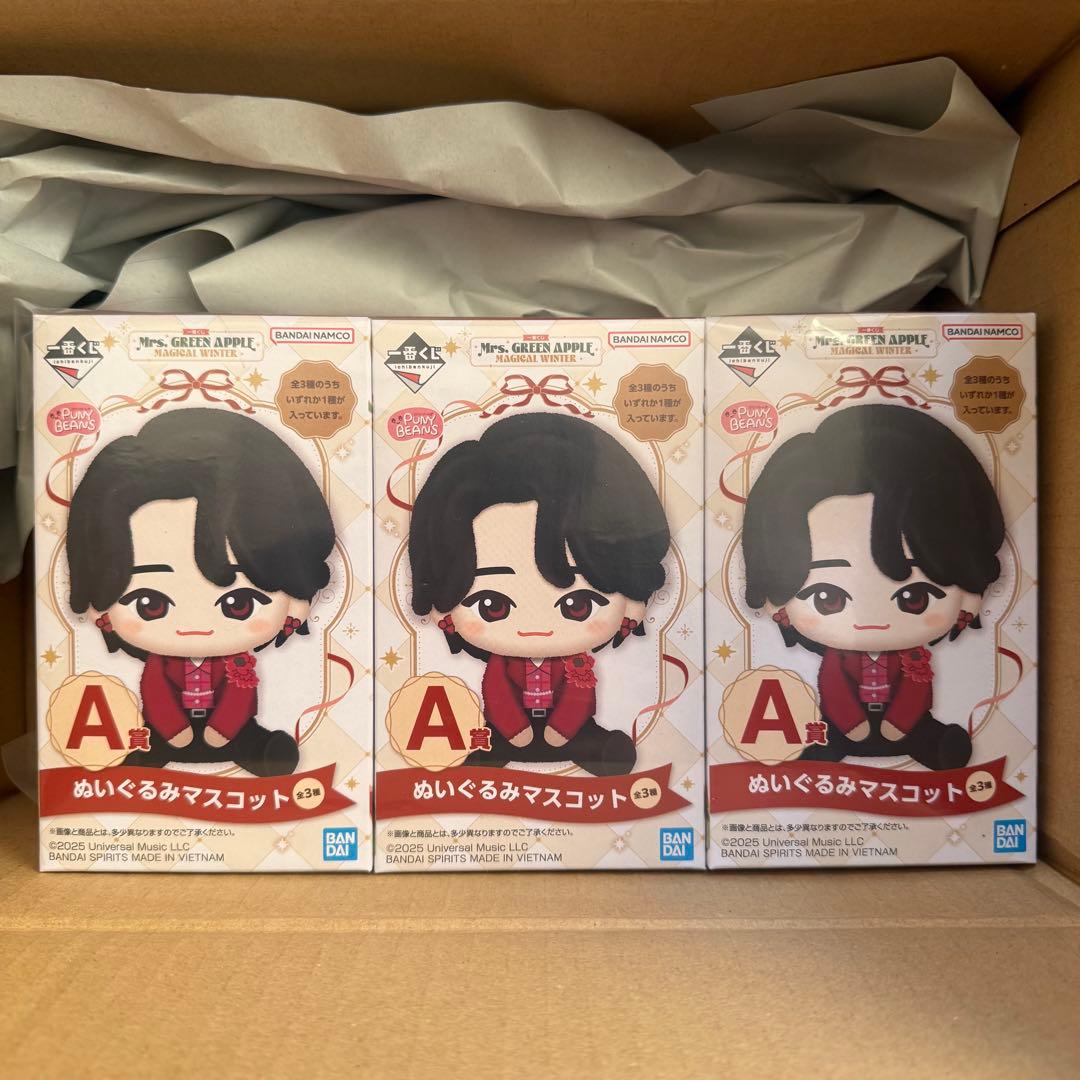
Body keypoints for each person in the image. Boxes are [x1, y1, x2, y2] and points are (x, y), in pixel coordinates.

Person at [66, 408, 336, 777]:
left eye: (238, 604)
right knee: (149, 742)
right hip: (168, 730)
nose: (194, 625)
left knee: (249, 740)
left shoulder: (238, 664)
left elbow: (240, 696)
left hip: (230, 731)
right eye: (150, 604)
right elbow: (155, 692)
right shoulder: (161, 664)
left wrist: (222, 730)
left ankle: (258, 751)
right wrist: (173, 729)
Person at [742, 404, 1005, 771]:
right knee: (827, 737)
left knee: (927, 735)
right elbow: (834, 688)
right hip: (845, 724)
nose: (870, 620)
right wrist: (852, 724)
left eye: (913, 598)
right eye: (828, 598)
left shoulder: (914, 660)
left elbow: (916, 691)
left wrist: (900, 724)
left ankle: (933, 746)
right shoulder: (839, 660)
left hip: (906, 725)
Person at [409, 412, 670, 777]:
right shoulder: (502, 666)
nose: (535, 627)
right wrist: (514, 729)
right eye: (493, 606)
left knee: (588, 740)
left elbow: (580, 697)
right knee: (492, 740)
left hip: (569, 729)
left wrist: (562, 730)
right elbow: (497, 692)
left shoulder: (577, 665)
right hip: (509, 728)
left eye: (577, 605)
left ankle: (591, 749)